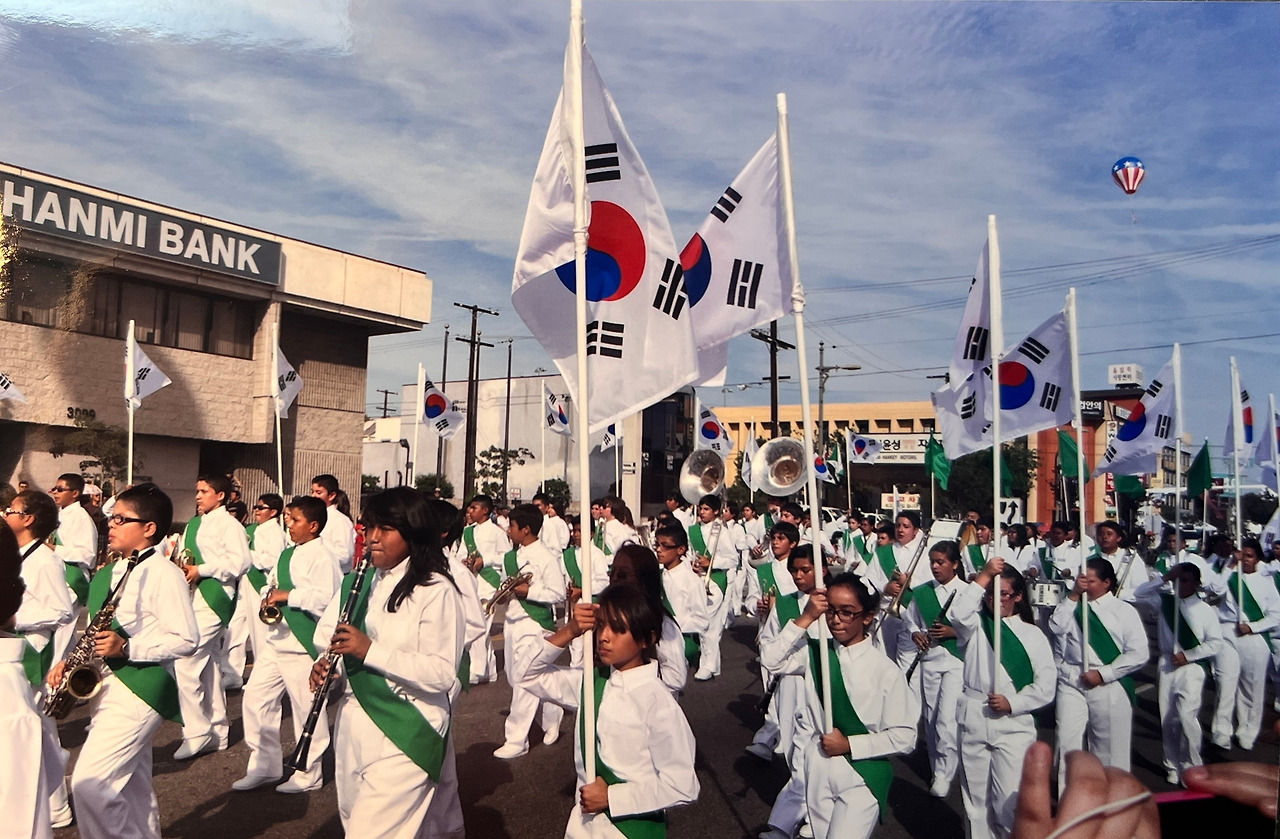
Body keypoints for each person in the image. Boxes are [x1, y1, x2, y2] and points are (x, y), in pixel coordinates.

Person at [311, 487, 466, 839]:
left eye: (386, 529)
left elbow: (442, 674)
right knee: (357, 821)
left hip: (407, 723)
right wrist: (327, 667)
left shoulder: (435, 589)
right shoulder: (358, 581)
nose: (373, 538)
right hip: (354, 721)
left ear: (413, 534)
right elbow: (331, 640)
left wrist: (370, 651)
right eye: (369, 528)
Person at [58, 483, 199, 839]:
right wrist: (69, 662)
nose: (111, 524)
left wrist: (128, 648)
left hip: (139, 689)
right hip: (108, 686)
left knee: (91, 785)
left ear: (149, 528)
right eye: (112, 517)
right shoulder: (114, 570)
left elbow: (187, 639)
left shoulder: (164, 574)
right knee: (133, 787)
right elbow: (97, 632)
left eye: (122, 519)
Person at [514, 586, 700, 839]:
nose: (603, 637)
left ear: (647, 639)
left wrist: (612, 797)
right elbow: (526, 676)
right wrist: (570, 630)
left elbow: (683, 786)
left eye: (618, 629)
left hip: (629, 830)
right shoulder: (591, 683)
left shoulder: (658, 702)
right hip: (583, 825)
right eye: (601, 625)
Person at [790, 572, 917, 839]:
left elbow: (905, 737)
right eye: (831, 610)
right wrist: (807, 617)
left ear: (867, 617)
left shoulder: (886, 671)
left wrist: (849, 745)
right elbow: (771, 660)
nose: (836, 619)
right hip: (818, 765)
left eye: (847, 612)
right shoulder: (815, 654)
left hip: (862, 773)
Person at [234, 496, 340, 793]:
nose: (289, 525)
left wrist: (288, 596)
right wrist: (268, 595)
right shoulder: (287, 553)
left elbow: (327, 598)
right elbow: (272, 583)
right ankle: (265, 766)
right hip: (277, 641)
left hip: (302, 645)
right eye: (288, 519)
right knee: (256, 699)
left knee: (306, 710)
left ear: (313, 525)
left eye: (295, 520)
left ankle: (309, 773)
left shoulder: (324, 556)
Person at [950, 558, 1055, 839]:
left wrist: (1014, 703)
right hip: (974, 715)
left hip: (1013, 725)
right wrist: (984, 575)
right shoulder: (975, 625)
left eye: (1003, 594)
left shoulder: (1033, 635)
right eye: (989, 594)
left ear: (1018, 597)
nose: (994, 600)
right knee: (975, 804)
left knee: (1008, 802)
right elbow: (958, 613)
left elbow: (1046, 685)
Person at [6, 491, 75, 828]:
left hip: (32, 650)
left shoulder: (45, 560)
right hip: (17, 646)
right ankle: (56, 805)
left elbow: (62, 610)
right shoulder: (19, 554)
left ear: (28, 519)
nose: (5, 514)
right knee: (39, 730)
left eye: (11, 510)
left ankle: (56, 806)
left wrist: (14, 618)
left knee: (39, 730)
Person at [173, 473, 252, 760]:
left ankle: (197, 731)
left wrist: (202, 570)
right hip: (193, 596)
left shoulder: (229, 525)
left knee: (186, 658)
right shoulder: (195, 523)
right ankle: (218, 731)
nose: (198, 496)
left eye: (204, 491)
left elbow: (241, 562)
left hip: (215, 597)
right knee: (208, 666)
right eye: (197, 491)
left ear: (220, 496)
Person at [1048, 557, 1148, 780]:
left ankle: (1110, 792)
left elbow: (1139, 653)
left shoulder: (1124, 611)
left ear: (1106, 583)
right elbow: (1056, 627)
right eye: (1081, 579)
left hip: (1108, 683)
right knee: (1066, 741)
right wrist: (1073, 596)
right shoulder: (1071, 605)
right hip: (1072, 679)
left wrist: (1103, 674)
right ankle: (1068, 792)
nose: (1083, 584)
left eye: (1090, 581)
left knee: (1108, 746)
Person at [1133, 563, 1222, 784]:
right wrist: (1165, 577)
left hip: (1192, 667)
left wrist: (1189, 655)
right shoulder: (1165, 602)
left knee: (1186, 716)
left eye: (1186, 580)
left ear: (1197, 583)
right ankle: (1172, 764)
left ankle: (1192, 765)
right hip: (1167, 664)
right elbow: (1139, 594)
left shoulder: (1204, 610)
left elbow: (1215, 643)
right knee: (1168, 719)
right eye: (1178, 580)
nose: (1181, 585)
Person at [756, 545, 821, 839]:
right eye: (794, 570)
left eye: (805, 570)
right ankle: (796, 819)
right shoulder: (784, 604)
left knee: (814, 754)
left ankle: (803, 820)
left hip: (823, 684)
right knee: (795, 753)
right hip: (791, 682)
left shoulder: (834, 602)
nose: (798, 575)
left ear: (821, 570)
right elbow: (768, 645)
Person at [492, 503, 566, 759]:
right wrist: (503, 596)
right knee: (515, 679)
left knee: (523, 679)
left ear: (525, 529)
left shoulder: (546, 557)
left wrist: (529, 592)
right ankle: (552, 713)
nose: (508, 530)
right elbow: (506, 587)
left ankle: (516, 740)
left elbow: (558, 593)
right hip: (512, 622)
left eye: (512, 526)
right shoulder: (510, 557)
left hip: (534, 624)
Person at [903, 540, 969, 798]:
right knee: (931, 717)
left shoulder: (966, 592)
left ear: (955, 564)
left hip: (956, 660)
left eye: (941, 562)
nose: (935, 567)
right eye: (932, 562)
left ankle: (944, 772)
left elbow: (977, 626)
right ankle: (936, 768)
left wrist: (953, 632)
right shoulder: (922, 592)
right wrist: (915, 634)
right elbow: (910, 620)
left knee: (946, 718)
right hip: (929, 659)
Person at [1203, 537, 1279, 750]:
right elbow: (1215, 589)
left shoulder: (1267, 581)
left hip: (1254, 637)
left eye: (1249, 556)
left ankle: (1247, 731)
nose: (1245, 559)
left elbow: (1276, 615)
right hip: (1227, 631)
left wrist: (1253, 627)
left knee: (1251, 686)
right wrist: (1230, 565)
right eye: (1242, 555)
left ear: (1257, 559)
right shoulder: (1230, 575)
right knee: (1225, 681)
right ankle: (1221, 730)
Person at [607, 543, 688, 695]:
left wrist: (629, 674)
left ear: (643, 580)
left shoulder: (662, 623)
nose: (615, 579)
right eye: (612, 573)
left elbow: (676, 678)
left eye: (623, 574)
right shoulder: (606, 618)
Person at [225, 493, 288, 687]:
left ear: (273, 512)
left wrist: (249, 555)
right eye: (256, 507)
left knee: (259, 633)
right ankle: (232, 673)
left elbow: (273, 560)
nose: (256, 511)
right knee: (235, 628)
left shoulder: (274, 531)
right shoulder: (256, 529)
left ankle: (260, 679)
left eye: (261, 508)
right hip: (246, 583)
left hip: (260, 584)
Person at [460, 494, 510, 685]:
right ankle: (491, 670)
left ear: (485, 510)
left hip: (489, 583)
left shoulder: (497, 532)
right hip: (471, 583)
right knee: (479, 626)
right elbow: (460, 553)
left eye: (474, 508)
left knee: (479, 626)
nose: (470, 511)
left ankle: (477, 670)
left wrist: (486, 560)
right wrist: (464, 561)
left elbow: (506, 557)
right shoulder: (468, 532)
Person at [690, 494, 740, 681]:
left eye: (706, 509)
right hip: (698, 579)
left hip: (716, 581)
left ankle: (707, 665)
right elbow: (689, 553)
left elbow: (733, 559)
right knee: (707, 624)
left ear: (716, 511)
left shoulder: (722, 531)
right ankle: (713, 665)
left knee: (707, 623)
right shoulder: (693, 530)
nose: (702, 512)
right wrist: (693, 564)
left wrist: (711, 562)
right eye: (701, 508)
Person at [48, 473, 96, 660]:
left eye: (60, 489)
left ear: (75, 493)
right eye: (55, 488)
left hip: (72, 579)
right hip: (57, 576)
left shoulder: (81, 518)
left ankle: (54, 672)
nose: (55, 492)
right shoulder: (60, 515)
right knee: (63, 640)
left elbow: (88, 555)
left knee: (59, 633)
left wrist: (54, 548)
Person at [654, 522, 709, 671]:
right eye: (657, 545)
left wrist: (669, 624)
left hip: (677, 644)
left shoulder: (691, 581)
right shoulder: (655, 576)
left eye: (665, 546)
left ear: (680, 549)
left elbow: (701, 621)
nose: (659, 550)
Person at [1092, 521, 1151, 603]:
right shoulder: (1090, 556)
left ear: (1118, 538)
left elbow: (1141, 589)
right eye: (1101, 534)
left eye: (1109, 534)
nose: (1104, 537)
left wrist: (1118, 593)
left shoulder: (1131, 557)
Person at [311, 474, 356, 573]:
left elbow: (344, 554)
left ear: (331, 496)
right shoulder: (313, 516)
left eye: (318, 493)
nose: (313, 496)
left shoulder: (340, 520)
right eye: (312, 492)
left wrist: (317, 554)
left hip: (335, 574)